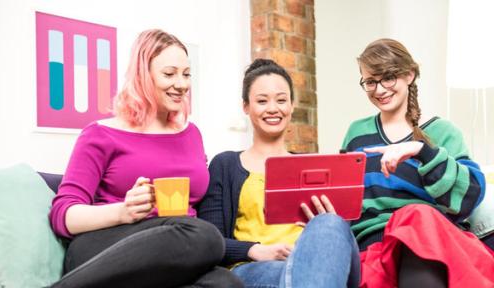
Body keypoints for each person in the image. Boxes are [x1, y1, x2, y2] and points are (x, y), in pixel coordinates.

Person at [48, 29, 243, 288]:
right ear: (143, 75)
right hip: (106, 247)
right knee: (204, 235)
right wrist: (123, 211)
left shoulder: (191, 134)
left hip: (174, 254)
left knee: (226, 283)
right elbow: (63, 216)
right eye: (169, 74)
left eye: (186, 74)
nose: (181, 84)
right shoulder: (101, 134)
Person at [342, 38, 494, 288]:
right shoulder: (357, 133)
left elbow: (470, 195)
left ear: (409, 75)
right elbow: (345, 200)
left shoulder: (443, 132)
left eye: (388, 77)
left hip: (431, 244)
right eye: (371, 82)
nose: (380, 90)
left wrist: (423, 152)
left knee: (414, 215)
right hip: (374, 250)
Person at [197, 58, 360, 288]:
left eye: (281, 100)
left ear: (292, 105)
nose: (273, 108)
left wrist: (327, 220)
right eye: (262, 101)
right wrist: (255, 250)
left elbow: (335, 247)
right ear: (246, 106)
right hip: (253, 268)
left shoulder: (313, 166)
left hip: (314, 261)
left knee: (330, 225)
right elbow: (209, 242)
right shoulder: (225, 165)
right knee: (291, 275)